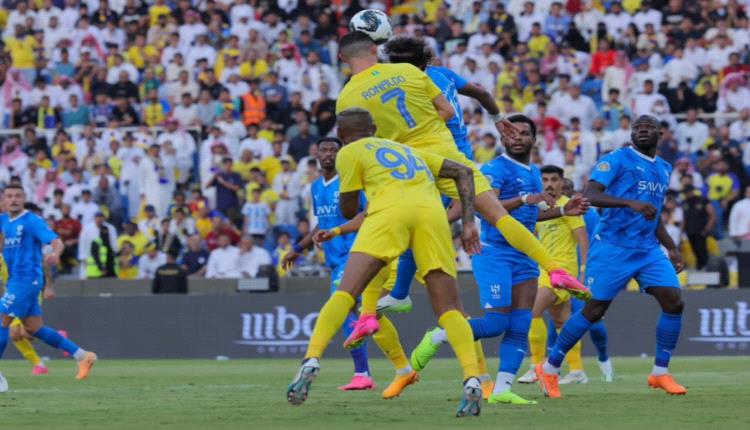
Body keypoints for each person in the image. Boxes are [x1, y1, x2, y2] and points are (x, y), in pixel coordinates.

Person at [334, 31, 586, 334]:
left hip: (404, 165)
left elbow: (360, 138)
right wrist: (492, 118)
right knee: (498, 216)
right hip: (449, 155)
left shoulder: (348, 96)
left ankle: (372, 310)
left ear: (342, 58)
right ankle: (555, 269)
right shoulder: (416, 73)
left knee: (383, 227)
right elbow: (451, 109)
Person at [287, 108, 484, 417]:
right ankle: (472, 377)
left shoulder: (349, 153)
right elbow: (464, 172)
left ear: (341, 135)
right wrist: (470, 222)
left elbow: (349, 206)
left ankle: (311, 360)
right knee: (449, 309)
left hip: (388, 214)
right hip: (432, 215)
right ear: (375, 128)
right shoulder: (408, 151)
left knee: (346, 292)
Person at [409, 116, 589, 405]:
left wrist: (562, 213)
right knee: (494, 324)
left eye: (524, 133)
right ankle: (438, 336)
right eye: (513, 133)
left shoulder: (532, 171)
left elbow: (529, 217)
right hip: (495, 253)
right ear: (504, 139)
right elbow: (485, 208)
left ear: (534, 140)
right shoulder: (494, 169)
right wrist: (524, 198)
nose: (517, 137)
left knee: (520, 324)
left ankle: (503, 388)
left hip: (525, 256)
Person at [535, 115, 687, 398]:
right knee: (593, 311)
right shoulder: (616, 159)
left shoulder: (664, 168)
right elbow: (590, 194)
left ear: (660, 134)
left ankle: (659, 373)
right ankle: (551, 368)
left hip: (648, 249)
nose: (643, 131)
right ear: (631, 133)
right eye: (638, 127)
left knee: (674, 302)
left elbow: (653, 212)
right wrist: (629, 202)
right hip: (612, 247)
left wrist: (672, 247)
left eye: (648, 127)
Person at [378, 36, 517, 314]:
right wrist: (497, 118)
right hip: (456, 154)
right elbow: (481, 93)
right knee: (485, 214)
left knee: (422, 221)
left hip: (437, 157)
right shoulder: (443, 74)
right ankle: (403, 291)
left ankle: (404, 290)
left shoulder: (410, 84)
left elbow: (436, 115)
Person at [281, 137, 379, 392]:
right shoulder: (315, 187)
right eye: (323, 150)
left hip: (355, 253)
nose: (328, 154)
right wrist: (297, 248)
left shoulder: (350, 182)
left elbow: (368, 212)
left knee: (345, 309)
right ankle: (395, 368)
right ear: (317, 155)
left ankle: (360, 373)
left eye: (333, 150)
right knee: (360, 315)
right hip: (334, 260)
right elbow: (322, 223)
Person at [0, 184, 97, 392]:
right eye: (9, 196)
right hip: (15, 281)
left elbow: (56, 241)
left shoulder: (32, 221)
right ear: (4, 200)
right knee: (34, 328)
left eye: (18, 196)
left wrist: (56, 254)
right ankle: (83, 356)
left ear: (24, 198)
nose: (14, 199)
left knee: (2, 320)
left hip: (27, 280)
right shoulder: (3, 221)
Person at [518, 166, 598, 385]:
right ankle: (577, 370)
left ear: (562, 182)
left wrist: (583, 273)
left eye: (554, 179)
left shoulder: (567, 206)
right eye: (545, 180)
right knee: (561, 320)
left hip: (560, 271)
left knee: (531, 312)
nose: (549, 184)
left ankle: (537, 367)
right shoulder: (541, 209)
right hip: (545, 269)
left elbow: (583, 240)